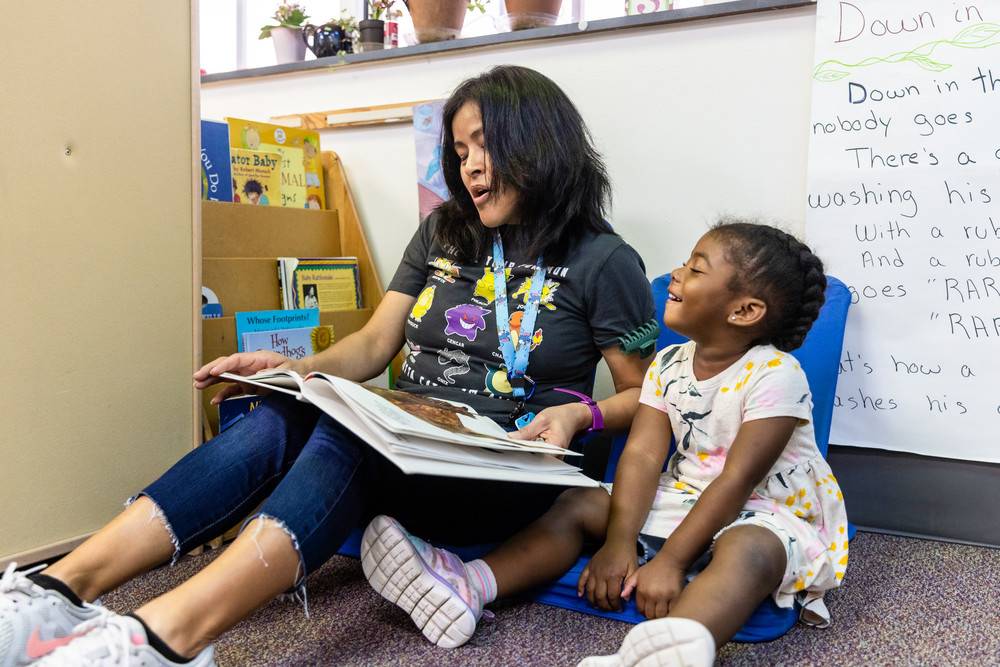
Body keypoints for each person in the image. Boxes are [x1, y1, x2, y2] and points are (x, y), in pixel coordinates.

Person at [0, 65, 655, 666]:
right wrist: (297, 369)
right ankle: (56, 588)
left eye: (484, 144)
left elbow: (648, 396)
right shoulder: (445, 232)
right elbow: (373, 346)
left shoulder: (604, 260)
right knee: (292, 405)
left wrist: (580, 412)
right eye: (459, 152)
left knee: (346, 431)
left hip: (502, 472)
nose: (472, 168)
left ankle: (164, 635)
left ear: (539, 141)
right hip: (415, 439)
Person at [362, 221, 850, 665]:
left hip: (762, 509)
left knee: (751, 552)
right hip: (685, 494)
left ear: (745, 311)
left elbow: (739, 480)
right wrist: (619, 544)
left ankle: (662, 649)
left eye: (695, 269)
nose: (675, 274)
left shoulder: (776, 374)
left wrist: (671, 562)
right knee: (578, 503)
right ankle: (469, 585)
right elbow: (641, 454)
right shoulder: (669, 363)